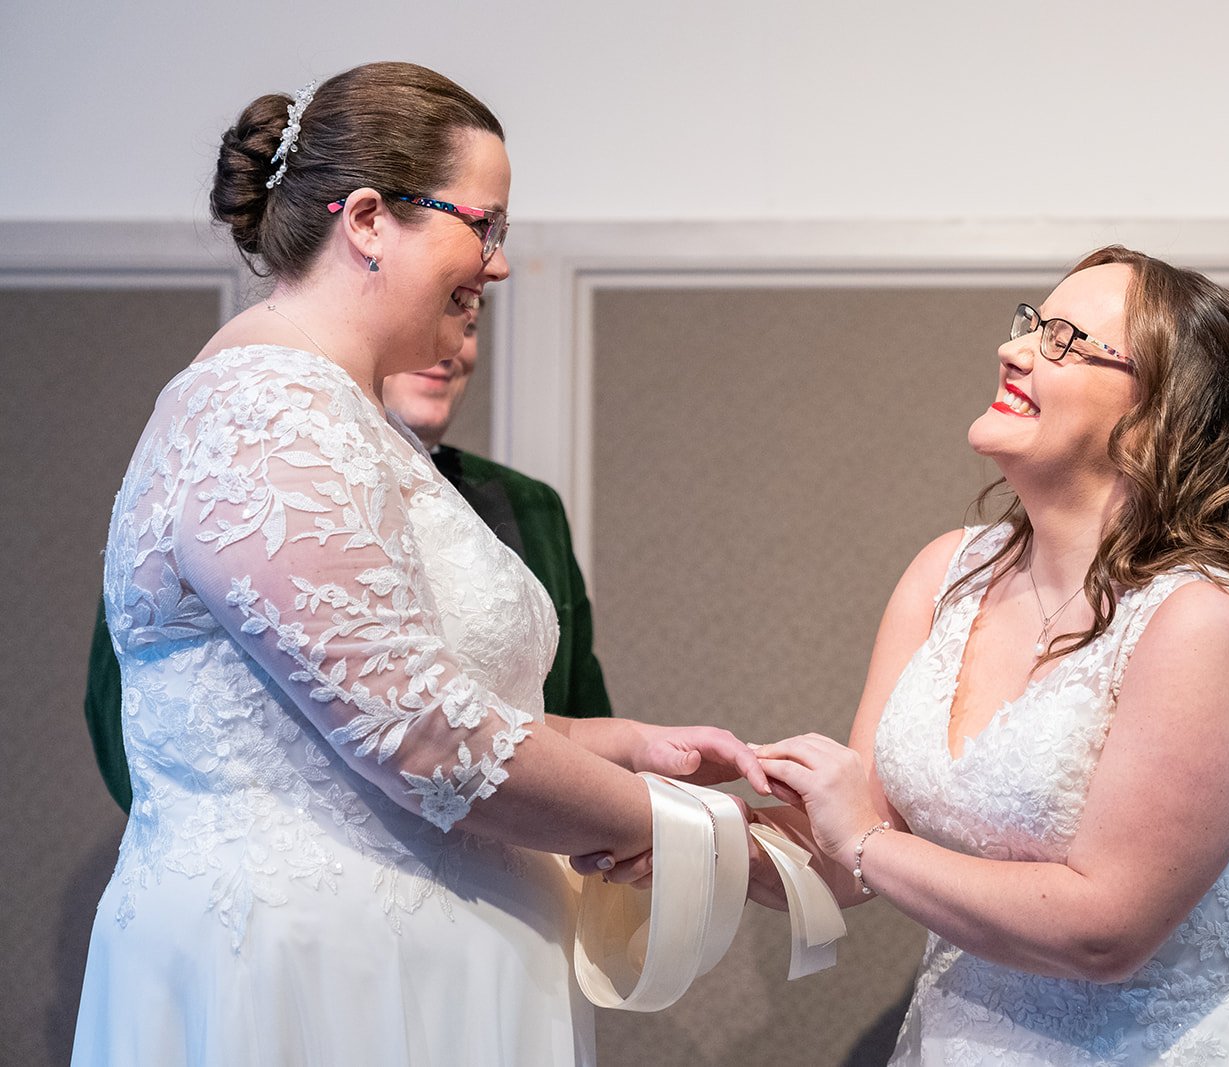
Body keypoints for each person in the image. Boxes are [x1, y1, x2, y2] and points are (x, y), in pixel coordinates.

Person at [71, 62, 764, 1067]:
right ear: (365, 218)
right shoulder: (265, 413)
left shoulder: (350, 421)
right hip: (312, 982)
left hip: (420, 966)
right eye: (484, 226)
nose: (498, 264)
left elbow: (396, 698)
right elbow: (424, 737)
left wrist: (617, 744)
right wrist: (685, 823)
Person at [748, 247, 1229, 1064]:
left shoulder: (1200, 623)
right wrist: (660, 833)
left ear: (1155, 417)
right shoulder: (946, 574)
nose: (1015, 348)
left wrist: (865, 841)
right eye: (1031, 323)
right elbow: (844, 862)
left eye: (1066, 339)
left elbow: (1104, 931)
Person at [82, 305, 613, 814]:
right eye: (438, 317)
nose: (452, 349)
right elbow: (131, 709)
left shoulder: (529, 505)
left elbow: (569, 698)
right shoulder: (249, 456)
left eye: (469, 327)